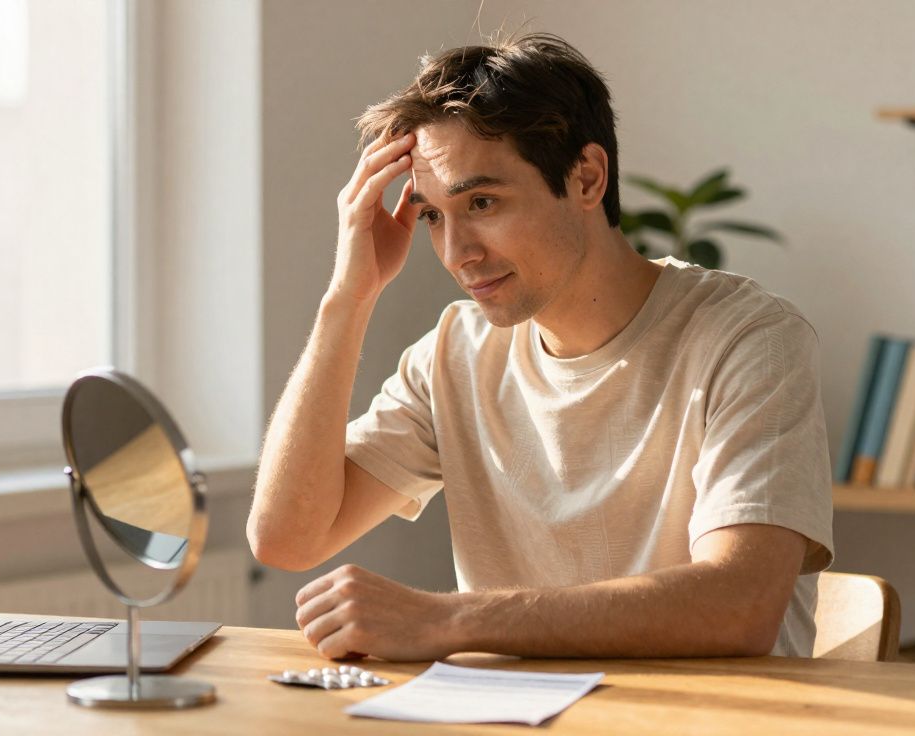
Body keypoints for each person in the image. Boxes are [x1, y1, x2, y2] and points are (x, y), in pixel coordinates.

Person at [246, 33, 833, 661]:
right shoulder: (454, 353)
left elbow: (739, 606)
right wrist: (349, 298)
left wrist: (447, 619)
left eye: (482, 202)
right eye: (433, 216)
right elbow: (287, 540)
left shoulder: (749, 339)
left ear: (586, 178)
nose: (456, 253)